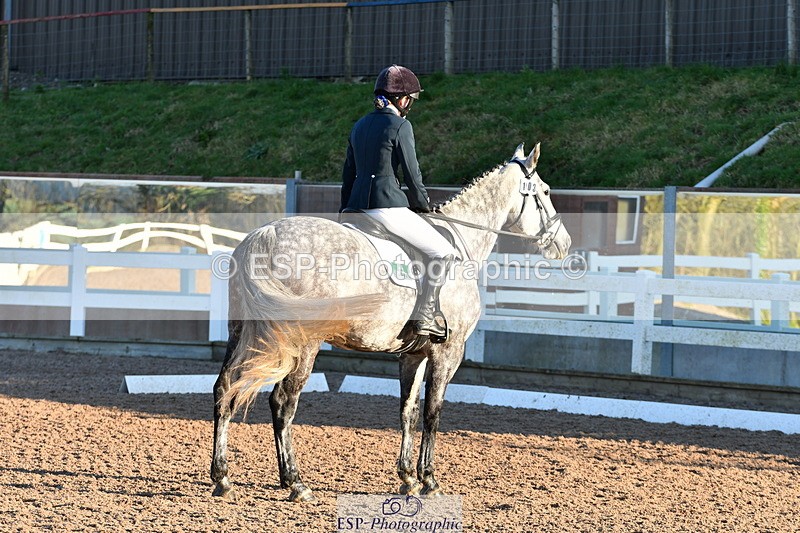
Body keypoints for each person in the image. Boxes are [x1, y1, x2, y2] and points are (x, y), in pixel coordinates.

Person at [340, 64, 457, 341]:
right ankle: (425, 316)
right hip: (386, 207)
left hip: (355, 208)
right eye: (410, 100)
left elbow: (348, 174)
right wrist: (423, 204)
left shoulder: (359, 125)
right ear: (402, 100)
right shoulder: (400, 126)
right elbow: (412, 175)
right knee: (443, 251)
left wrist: (345, 211)